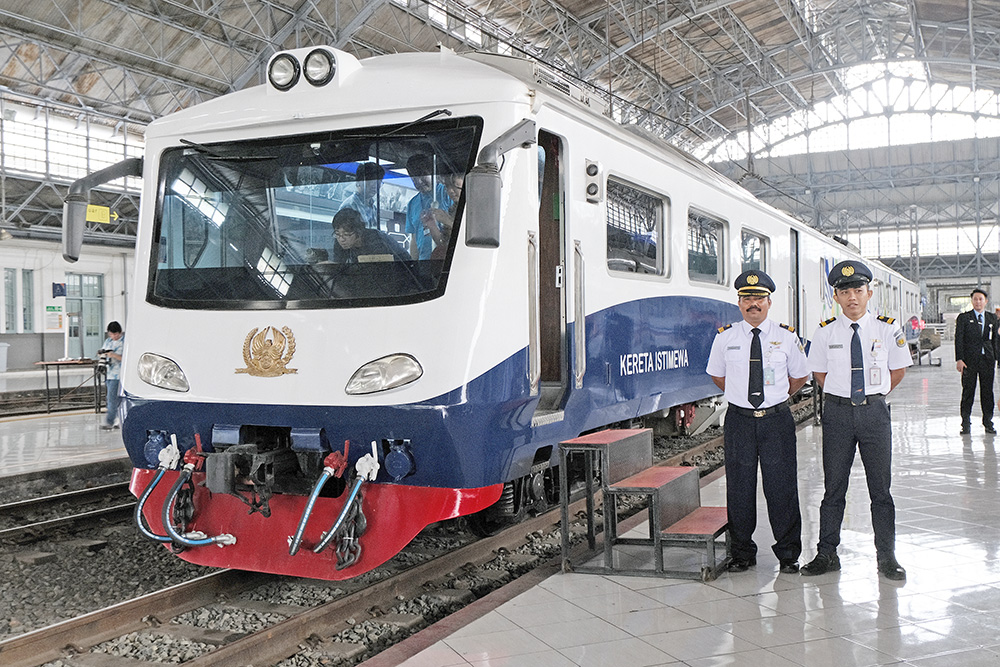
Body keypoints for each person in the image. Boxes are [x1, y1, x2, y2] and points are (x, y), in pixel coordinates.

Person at [801, 260, 912, 581]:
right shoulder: (824, 333)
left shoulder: (888, 329)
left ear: (869, 293)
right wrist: (842, 395)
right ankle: (827, 553)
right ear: (835, 296)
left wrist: (873, 396)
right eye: (845, 291)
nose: (852, 297)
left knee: (881, 489)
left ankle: (886, 556)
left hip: (875, 413)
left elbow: (899, 370)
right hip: (837, 414)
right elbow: (819, 373)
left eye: (858, 291)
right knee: (833, 487)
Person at [706, 269, 809, 574]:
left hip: (776, 421)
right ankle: (742, 553)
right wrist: (741, 395)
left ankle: (788, 555)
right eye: (747, 298)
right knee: (740, 488)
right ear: (739, 302)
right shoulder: (725, 337)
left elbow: (800, 376)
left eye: (759, 298)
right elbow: (717, 375)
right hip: (739, 421)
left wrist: (774, 397)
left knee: (782, 488)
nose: (753, 304)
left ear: (769, 302)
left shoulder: (786, 337)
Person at [955, 288, 997, 435]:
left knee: (987, 393)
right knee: (968, 392)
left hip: (987, 361)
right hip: (969, 361)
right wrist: (959, 359)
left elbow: (996, 340)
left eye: (981, 299)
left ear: (985, 301)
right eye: (975, 299)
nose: (978, 302)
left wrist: (997, 358)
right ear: (972, 301)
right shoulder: (964, 318)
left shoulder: (992, 318)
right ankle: (965, 423)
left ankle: (988, 422)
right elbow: (959, 339)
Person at [405, 154, 451, 260]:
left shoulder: (447, 193)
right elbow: (414, 238)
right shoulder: (412, 203)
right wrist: (414, 264)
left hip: (445, 260)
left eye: (423, 175)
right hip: (423, 262)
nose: (419, 182)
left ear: (432, 173)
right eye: (414, 179)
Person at [330, 208, 407, 264]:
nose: (341, 239)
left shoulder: (376, 241)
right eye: (337, 234)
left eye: (347, 234)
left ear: (358, 231)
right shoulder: (340, 241)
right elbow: (338, 265)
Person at [339, 162, 385, 229]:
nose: (375, 186)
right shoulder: (349, 206)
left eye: (379, 182)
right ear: (358, 182)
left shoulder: (373, 208)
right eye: (371, 181)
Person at [99, 321, 124, 431]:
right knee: (111, 399)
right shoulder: (108, 341)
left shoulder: (125, 342)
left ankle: (112, 421)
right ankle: (114, 421)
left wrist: (113, 355)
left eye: (115, 334)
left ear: (120, 332)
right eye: (111, 334)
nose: (113, 336)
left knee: (115, 399)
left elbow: (125, 358)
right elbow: (102, 354)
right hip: (109, 374)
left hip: (119, 375)